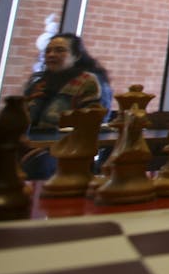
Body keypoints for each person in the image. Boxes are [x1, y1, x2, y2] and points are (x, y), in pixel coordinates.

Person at [18, 33, 113, 179]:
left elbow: (93, 124)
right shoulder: (39, 82)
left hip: (68, 151)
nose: (51, 55)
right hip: (30, 146)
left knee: (38, 164)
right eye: (48, 51)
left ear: (76, 55)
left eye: (60, 50)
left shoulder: (88, 81)